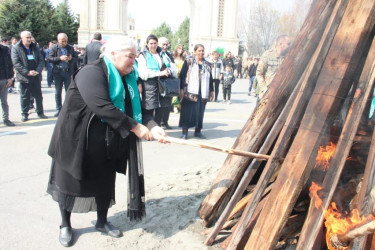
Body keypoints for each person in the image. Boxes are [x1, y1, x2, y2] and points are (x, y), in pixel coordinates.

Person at [47, 36, 167, 247]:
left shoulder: (129, 79)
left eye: (135, 57)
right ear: (112, 54)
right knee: (69, 183)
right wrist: (136, 127)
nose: (133, 61)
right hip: (76, 139)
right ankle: (65, 225)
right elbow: (102, 106)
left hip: (107, 141)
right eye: (129, 57)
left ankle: (102, 221)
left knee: (104, 182)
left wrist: (152, 126)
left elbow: (140, 110)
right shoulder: (91, 72)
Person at [137, 34, 177, 127]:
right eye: (151, 43)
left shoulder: (164, 54)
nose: (153, 45)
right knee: (149, 111)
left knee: (161, 109)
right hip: (149, 88)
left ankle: (157, 130)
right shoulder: (143, 56)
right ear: (147, 44)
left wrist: (168, 71)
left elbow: (173, 68)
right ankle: (149, 131)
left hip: (163, 87)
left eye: (155, 43)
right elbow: (143, 73)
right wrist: (160, 73)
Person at [179, 44, 214, 139]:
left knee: (200, 112)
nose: (201, 52)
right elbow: (182, 76)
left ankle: (198, 131)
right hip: (189, 92)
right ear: (195, 51)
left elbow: (210, 78)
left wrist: (211, 91)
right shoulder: (189, 62)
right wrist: (181, 89)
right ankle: (184, 132)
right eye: (199, 50)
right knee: (187, 112)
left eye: (202, 50)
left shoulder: (207, 64)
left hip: (203, 92)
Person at [11, 30, 48, 122]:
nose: (29, 39)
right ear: (22, 38)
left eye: (30, 37)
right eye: (27, 37)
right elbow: (16, 63)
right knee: (25, 96)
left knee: (38, 96)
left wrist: (38, 71)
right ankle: (24, 114)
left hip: (35, 76)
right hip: (25, 77)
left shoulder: (35, 47)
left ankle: (40, 112)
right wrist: (27, 72)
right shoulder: (16, 48)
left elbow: (41, 60)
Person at [48, 33, 77, 117]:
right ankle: (58, 109)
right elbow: (50, 59)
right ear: (58, 40)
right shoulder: (54, 48)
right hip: (58, 72)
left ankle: (68, 108)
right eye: (62, 41)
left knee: (68, 91)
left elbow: (76, 59)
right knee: (58, 91)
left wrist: (71, 58)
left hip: (68, 72)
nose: (64, 43)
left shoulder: (70, 48)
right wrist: (59, 58)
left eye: (65, 41)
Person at [0, 43, 15, 126]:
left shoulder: (5, 49)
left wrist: (10, 78)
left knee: (4, 102)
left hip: (4, 80)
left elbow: (10, 64)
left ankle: (6, 119)